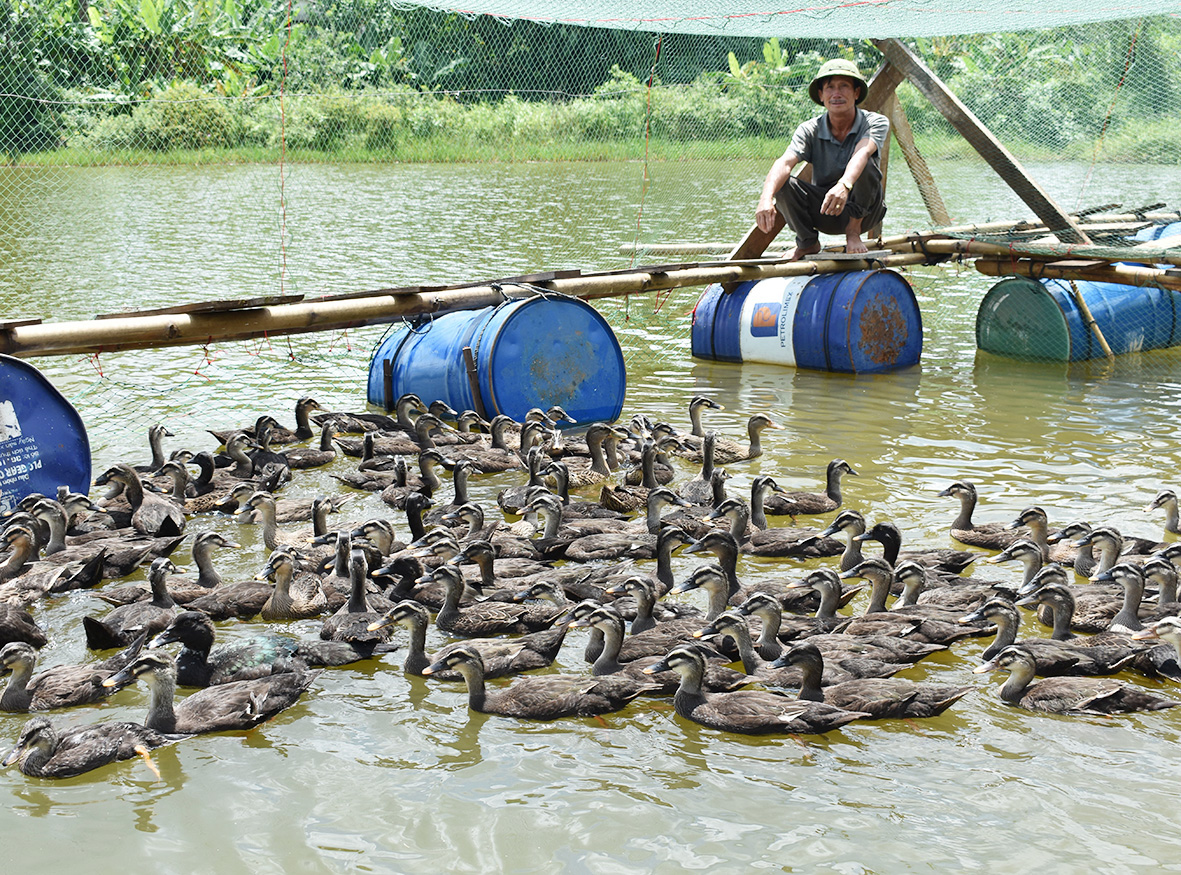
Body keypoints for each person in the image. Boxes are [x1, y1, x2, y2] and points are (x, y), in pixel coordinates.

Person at [755, 58, 889, 260]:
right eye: (830, 87)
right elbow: (784, 162)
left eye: (844, 86)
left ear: (856, 92)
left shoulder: (875, 122)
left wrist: (844, 185)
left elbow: (862, 152)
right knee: (782, 183)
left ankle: (853, 232)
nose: (836, 93)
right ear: (821, 94)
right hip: (827, 210)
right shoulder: (809, 129)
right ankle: (807, 243)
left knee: (866, 163)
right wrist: (765, 199)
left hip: (866, 213)